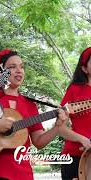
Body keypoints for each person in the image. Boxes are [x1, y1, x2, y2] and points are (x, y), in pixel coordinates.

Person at [0, 49, 68, 180]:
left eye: (21, 66)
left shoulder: (30, 104)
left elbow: (39, 141)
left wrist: (57, 127)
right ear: (0, 73)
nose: (19, 70)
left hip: (22, 174)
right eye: (12, 67)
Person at [58, 47, 91, 180]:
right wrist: (82, 139)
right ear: (84, 69)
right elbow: (60, 127)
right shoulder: (75, 90)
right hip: (75, 156)